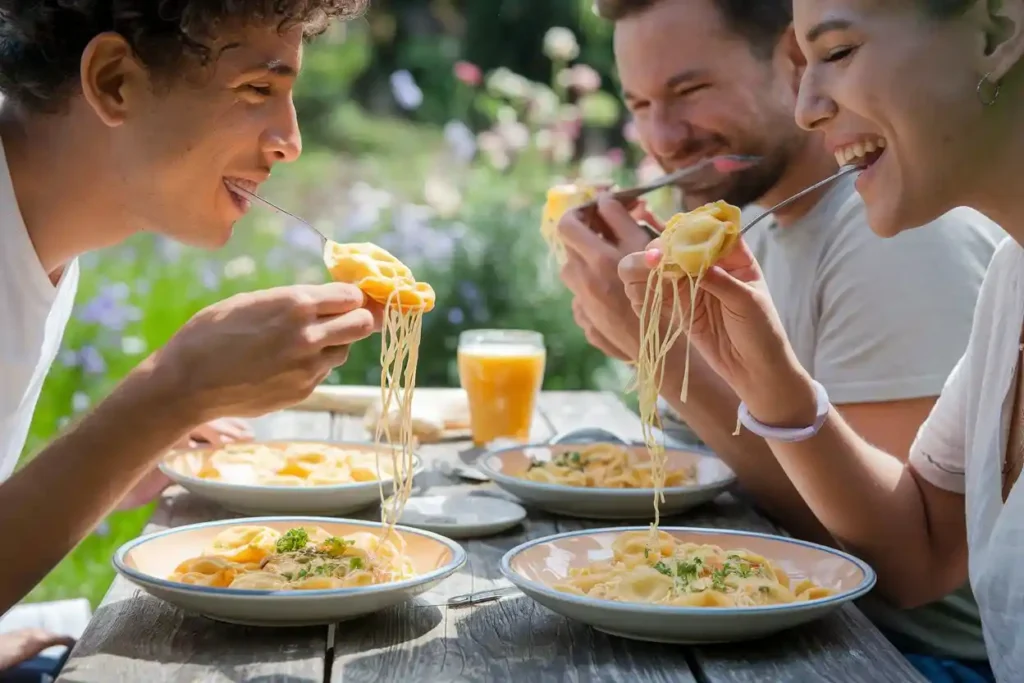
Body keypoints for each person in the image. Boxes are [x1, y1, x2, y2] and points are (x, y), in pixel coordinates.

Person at [559, 0, 1003, 675]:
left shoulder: (906, 230)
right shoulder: (769, 224)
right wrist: (665, 338)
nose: (663, 137)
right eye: (641, 103)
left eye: (690, 90)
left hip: (906, 652)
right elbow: (914, 539)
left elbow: (874, 556)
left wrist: (674, 360)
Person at [0, 0, 372, 678]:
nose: (291, 141)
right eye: (258, 88)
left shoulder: (38, 241)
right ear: (115, 82)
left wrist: (129, 450)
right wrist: (169, 394)